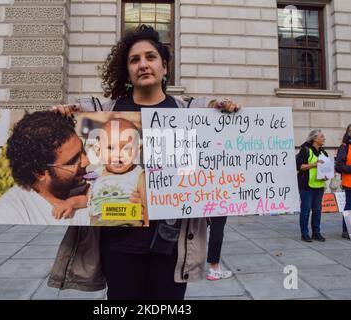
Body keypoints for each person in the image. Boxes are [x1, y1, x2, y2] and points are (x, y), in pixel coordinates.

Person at [48, 25, 239, 299]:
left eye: (150, 57)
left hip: (172, 244)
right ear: (127, 71)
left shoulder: (192, 113)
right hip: (118, 245)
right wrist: (61, 117)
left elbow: (219, 159)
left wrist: (227, 114)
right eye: (134, 60)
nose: (143, 64)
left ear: (164, 66)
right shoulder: (105, 112)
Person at [0, 111, 92, 225]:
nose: (86, 161)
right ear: (40, 172)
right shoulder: (9, 215)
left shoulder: (97, 184)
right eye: (73, 161)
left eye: (82, 150)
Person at [53, 118, 148, 227]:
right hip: (97, 225)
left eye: (126, 148)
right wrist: (70, 203)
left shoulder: (139, 175)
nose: (117, 154)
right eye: (110, 148)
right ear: (98, 151)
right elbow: (88, 199)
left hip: (126, 224)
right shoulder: (95, 175)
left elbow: (147, 208)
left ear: (138, 150)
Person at [296, 129, 328, 242]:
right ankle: (304, 234)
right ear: (314, 139)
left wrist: (327, 175)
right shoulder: (305, 150)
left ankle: (316, 232)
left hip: (319, 185)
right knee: (305, 210)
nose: (324, 138)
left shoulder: (324, 152)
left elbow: (325, 169)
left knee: (317, 210)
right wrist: (314, 165)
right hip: (306, 185)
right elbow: (300, 167)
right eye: (321, 136)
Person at [334, 124, 351, 240]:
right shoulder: (344, 147)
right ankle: (347, 230)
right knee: (349, 206)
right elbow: (339, 167)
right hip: (349, 183)